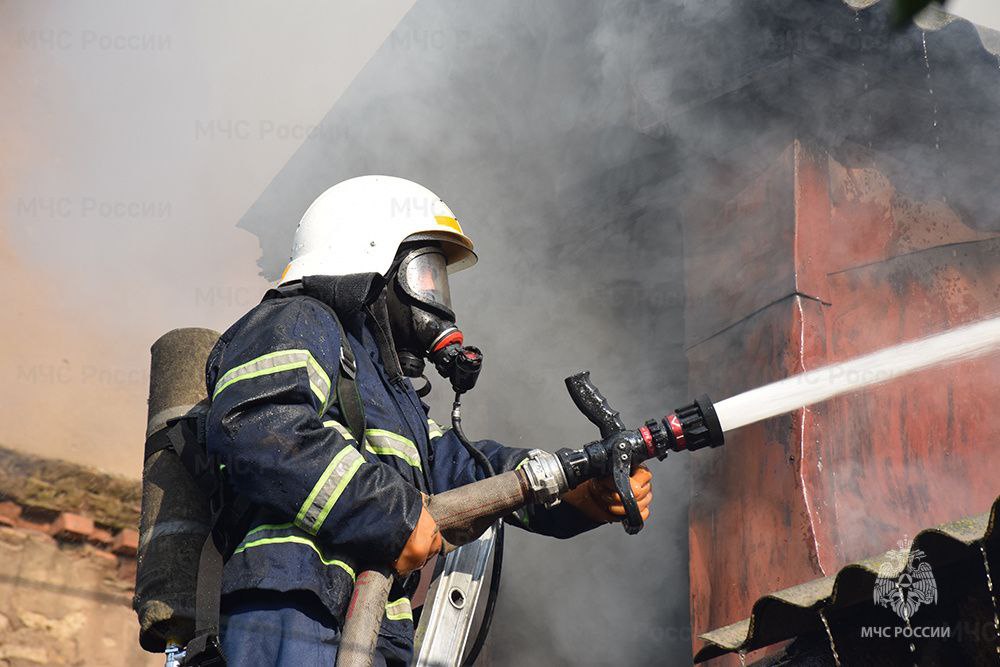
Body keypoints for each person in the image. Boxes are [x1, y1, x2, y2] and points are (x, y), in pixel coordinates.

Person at [204, 175, 653, 665]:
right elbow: (262, 428)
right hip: (293, 605)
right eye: (425, 274)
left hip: (375, 630)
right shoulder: (297, 319)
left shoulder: (388, 393)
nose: (436, 298)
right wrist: (392, 515)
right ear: (369, 259)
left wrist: (572, 487)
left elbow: (464, 471)